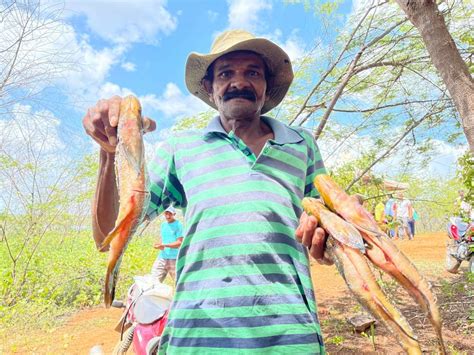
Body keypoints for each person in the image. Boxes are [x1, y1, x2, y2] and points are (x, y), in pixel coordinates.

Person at [83, 30, 329, 353]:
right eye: (226, 73)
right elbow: (107, 235)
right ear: (210, 88)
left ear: (266, 86)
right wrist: (108, 155)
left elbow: (327, 230)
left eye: (252, 72)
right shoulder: (181, 148)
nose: (238, 82)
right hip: (198, 340)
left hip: (290, 341)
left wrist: (332, 235)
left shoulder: (302, 145)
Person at [151, 206, 183, 283]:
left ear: (174, 214)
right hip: (162, 257)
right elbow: (163, 240)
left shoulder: (179, 225)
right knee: (153, 281)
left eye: (170, 214)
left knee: (178, 282)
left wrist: (165, 245)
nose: (168, 216)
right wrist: (159, 246)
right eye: (166, 213)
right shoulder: (163, 225)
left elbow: (179, 242)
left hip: (174, 258)